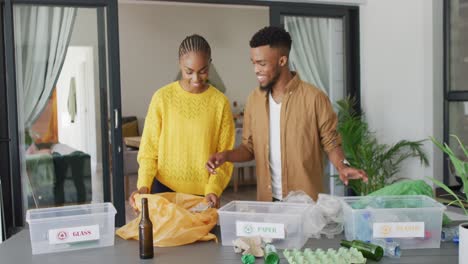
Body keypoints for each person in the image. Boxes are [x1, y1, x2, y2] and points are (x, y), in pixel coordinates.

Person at [206, 26, 367, 202]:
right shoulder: (254, 100)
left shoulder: (315, 98)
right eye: (253, 62)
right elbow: (249, 149)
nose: (256, 70)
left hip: (305, 203)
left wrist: (343, 166)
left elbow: (331, 142)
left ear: (282, 61)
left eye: (262, 63)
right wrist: (226, 156)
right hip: (267, 202)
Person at [130, 34, 234, 209]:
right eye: (189, 71)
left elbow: (224, 156)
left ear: (210, 63)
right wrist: (143, 186)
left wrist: (214, 189)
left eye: (202, 71)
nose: (196, 79)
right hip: (162, 190)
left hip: (203, 196)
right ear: (179, 63)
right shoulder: (162, 98)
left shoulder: (220, 102)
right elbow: (149, 150)